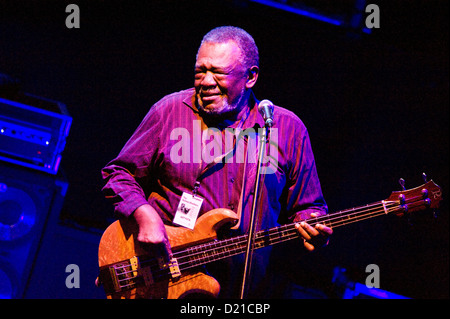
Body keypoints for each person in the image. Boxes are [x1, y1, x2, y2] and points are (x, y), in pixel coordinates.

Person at [101, 26, 332, 298]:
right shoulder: (170, 110)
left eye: (219, 72)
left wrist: (314, 226)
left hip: (243, 288)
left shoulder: (286, 128)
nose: (206, 81)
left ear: (250, 77)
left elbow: (309, 207)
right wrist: (144, 214)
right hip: (163, 278)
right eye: (201, 70)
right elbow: (118, 174)